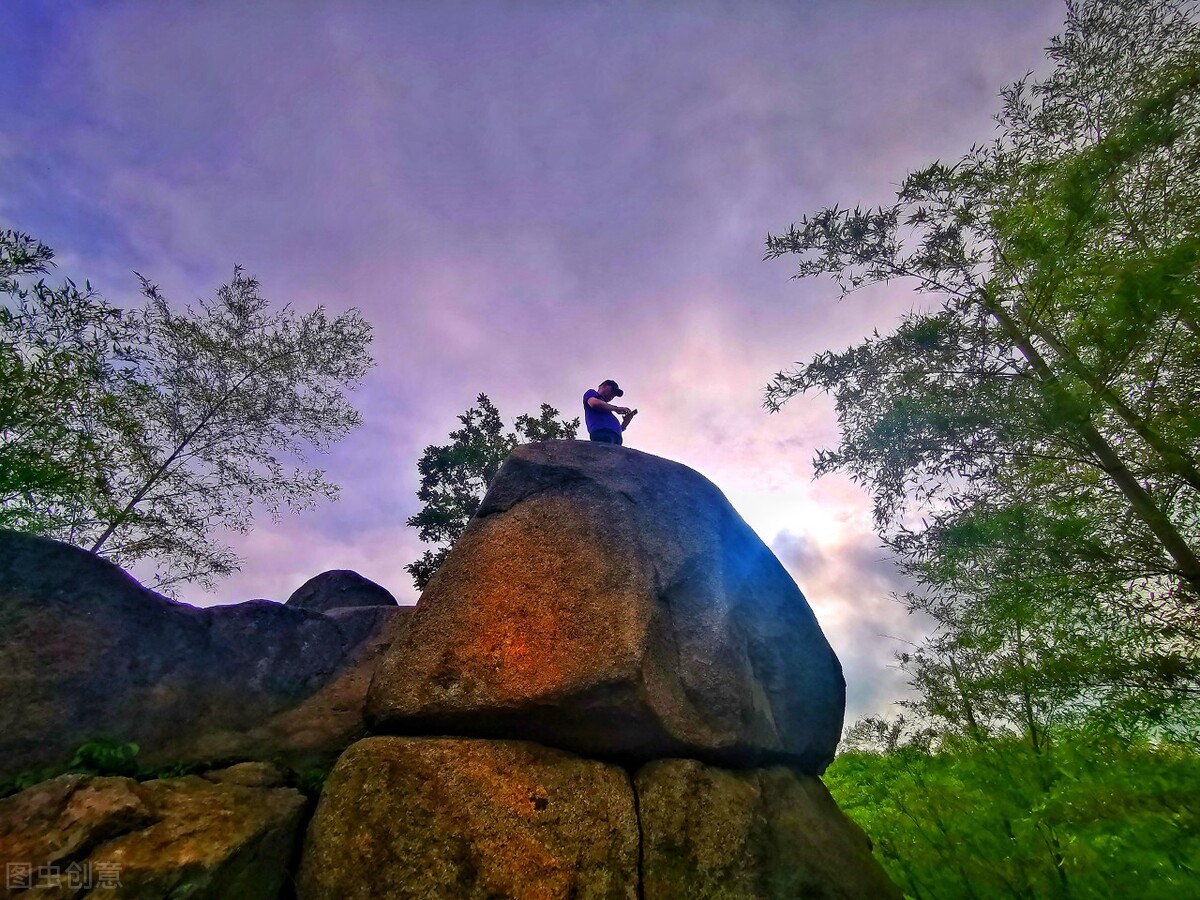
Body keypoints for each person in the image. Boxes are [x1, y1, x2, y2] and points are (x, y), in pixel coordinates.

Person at [583, 379, 637, 445]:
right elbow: (594, 403)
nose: (613, 395)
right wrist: (617, 409)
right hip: (602, 433)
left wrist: (625, 423)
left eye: (615, 395)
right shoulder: (592, 393)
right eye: (612, 391)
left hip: (615, 438)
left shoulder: (607, 409)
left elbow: (615, 428)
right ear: (604, 386)